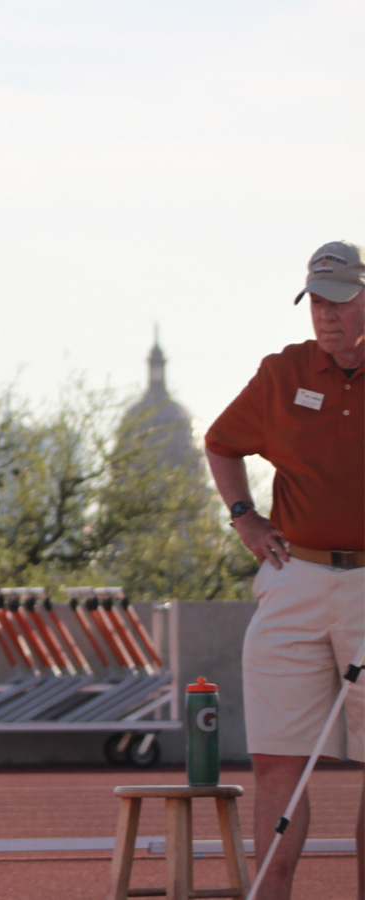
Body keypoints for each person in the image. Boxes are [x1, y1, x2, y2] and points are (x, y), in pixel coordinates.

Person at [203, 239, 364, 900]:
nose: (325, 315)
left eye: (340, 299)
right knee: (277, 766)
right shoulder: (281, 372)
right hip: (293, 577)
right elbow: (220, 442)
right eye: (316, 302)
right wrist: (245, 518)